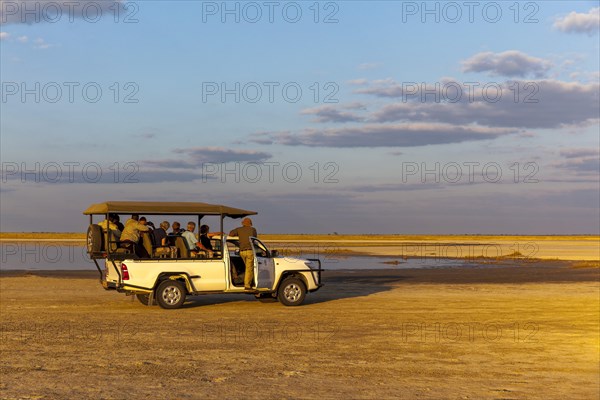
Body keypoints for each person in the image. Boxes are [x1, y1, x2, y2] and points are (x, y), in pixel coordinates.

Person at [229, 218, 257, 290]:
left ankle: (247, 280)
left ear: (243, 223)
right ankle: (247, 285)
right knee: (249, 268)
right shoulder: (253, 230)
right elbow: (255, 240)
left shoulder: (239, 229)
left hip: (242, 252)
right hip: (250, 251)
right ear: (250, 223)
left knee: (246, 267)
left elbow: (231, 234)